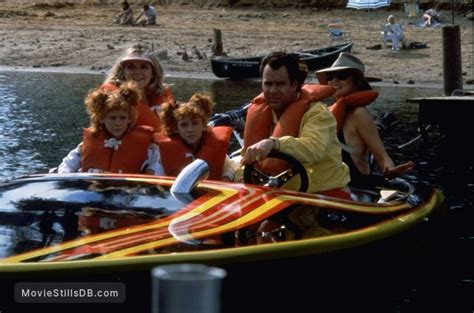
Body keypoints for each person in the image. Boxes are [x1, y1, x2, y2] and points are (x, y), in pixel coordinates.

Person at [240, 51, 351, 199]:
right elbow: (245, 163)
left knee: (270, 223)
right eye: (268, 84)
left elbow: (314, 148)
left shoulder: (318, 114)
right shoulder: (262, 113)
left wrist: (273, 143)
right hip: (279, 194)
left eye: (280, 84)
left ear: (294, 85)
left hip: (325, 194)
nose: (272, 91)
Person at [316, 52, 414, 189]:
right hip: (330, 186)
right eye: (330, 77)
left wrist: (390, 171)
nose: (334, 81)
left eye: (342, 76)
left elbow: (382, 156)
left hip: (356, 187)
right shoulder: (326, 112)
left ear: (357, 82)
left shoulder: (359, 114)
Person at [57, 82, 162, 174]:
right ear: (102, 118)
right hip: (91, 189)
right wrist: (66, 176)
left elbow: (156, 162)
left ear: (129, 119)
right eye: (112, 118)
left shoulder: (144, 145)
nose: (118, 123)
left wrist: (151, 170)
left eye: (122, 118)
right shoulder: (86, 144)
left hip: (127, 191)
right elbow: (67, 165)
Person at [153, 93, 238, 181]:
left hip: (209, 193)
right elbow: (158, 182)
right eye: (184, 125)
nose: (190, 129)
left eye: (195, 123)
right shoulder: (166, 151)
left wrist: (226, 178)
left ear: (203, 125)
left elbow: (231, 166)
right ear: (176, 128)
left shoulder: (214, 145)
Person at [102, 44, 174, 131]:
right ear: (123, 71)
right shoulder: (110, 96)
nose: (137, 72)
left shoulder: (161, 96)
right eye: (131, 67)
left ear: (153, 73)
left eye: (144, 67)